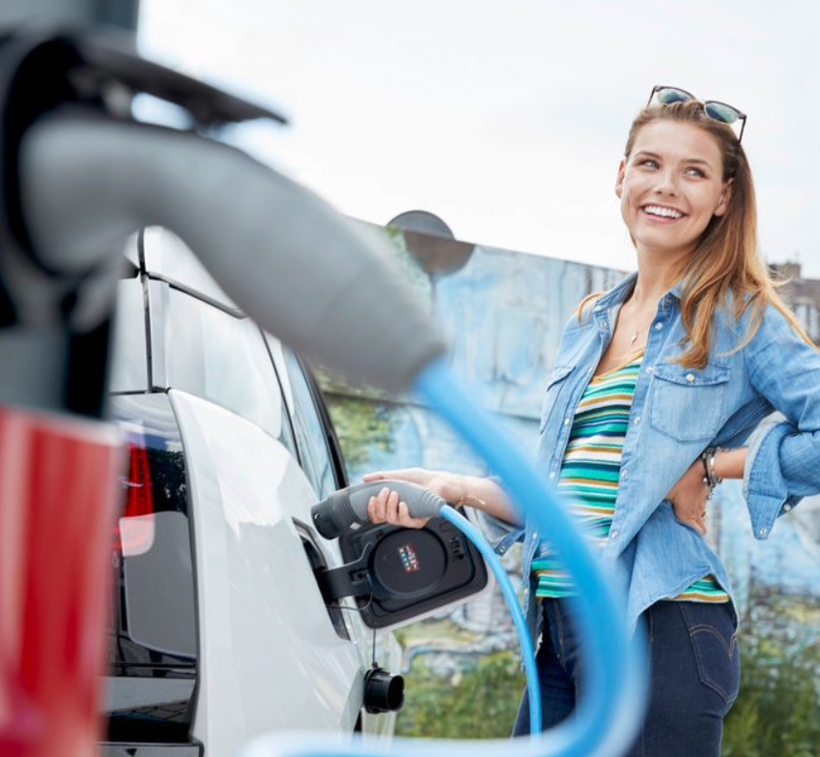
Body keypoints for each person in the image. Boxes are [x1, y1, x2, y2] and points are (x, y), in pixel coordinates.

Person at [362, 86, 820, 757]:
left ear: (723, 197)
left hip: (660, 624)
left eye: (694, 172)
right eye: (649, 164)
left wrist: (712, 467)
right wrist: (449, 486)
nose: (667, 186)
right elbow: (561, 489)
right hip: (561, 625)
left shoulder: (737, 315)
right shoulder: (590, 322)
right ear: (621, 177)